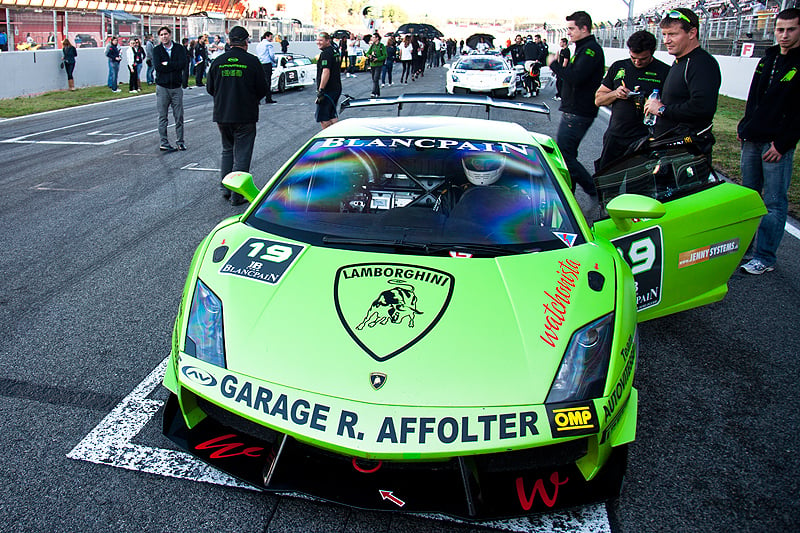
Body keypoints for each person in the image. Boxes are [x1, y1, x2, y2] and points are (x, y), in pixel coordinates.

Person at [737, 8, 800, 275]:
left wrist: (782, 144)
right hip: (752, 138)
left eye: (791, 30)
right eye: (780, 29)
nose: (784, 35)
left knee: (773, 201)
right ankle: (747, 250)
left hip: (776, 145)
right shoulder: (768, 57)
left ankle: (765, 257)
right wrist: (744, 126)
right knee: (749, 198)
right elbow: (754, 97)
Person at [642, 8, 721, 160]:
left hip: (687, 152)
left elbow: (702, 107)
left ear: (692, 33)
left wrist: (662, 109)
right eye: (664, 34)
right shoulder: (680, 61)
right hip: (669, 147)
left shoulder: (701, 63)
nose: (666, 40)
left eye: (673, 34)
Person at [207, 26, 269, 206]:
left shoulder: (218, 61)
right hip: (245, 114)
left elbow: (210, 88)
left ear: (229, 41)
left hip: (222, 114)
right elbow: (262, 89)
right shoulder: (252, 61)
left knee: (227, 150)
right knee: (242, 154)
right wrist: (249, 100)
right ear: (246, 42)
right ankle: (237, 194)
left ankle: (225, 188)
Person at [594, 30, 670, 171]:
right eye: (633, 57)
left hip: (645, 139)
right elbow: (598, 100)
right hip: (616, 136)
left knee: (640, 183)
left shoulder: (665, 72)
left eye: (643, 59)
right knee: (607, 178)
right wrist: (615, 94)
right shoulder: (618, 67)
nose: (637, 62)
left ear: (652, 52)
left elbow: (671, 107)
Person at [548, 10, 604, 197]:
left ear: (584, 28)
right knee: (567, 154)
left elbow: (576, 78)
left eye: (572, 28)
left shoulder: (590, 50)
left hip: (579, 111)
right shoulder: (581, 48)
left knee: (564, 156)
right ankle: (569, 191)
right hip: (575, 110)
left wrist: (554, 65)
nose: (569, 32)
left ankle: (592, 190)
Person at [153, 26, 188, 151]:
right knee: (162, 116)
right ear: (159, 37)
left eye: (166, 34)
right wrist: (173, 65)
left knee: (179, 116)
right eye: (161, 35)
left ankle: (180, 141)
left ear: (170, 35)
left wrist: (167, 64)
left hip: (176, 87)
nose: (164, 36)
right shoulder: (157, 50)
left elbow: (182, 64)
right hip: (162, 87)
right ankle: (164, 142)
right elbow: (158, 67)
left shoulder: (179, 48)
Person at [315, 32, 342, 129]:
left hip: (328, 90)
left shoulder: (326, 54)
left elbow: (326, 71)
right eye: (317, 40)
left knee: (323, 117)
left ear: (328, 41)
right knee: (332, 115)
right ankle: (339, 138)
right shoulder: (335, 51)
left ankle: (330, 139)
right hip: (336, 88)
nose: (318, 42)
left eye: (321, 40)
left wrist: (321, 90)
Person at [256, 31, 277, 104]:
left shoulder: (259, 45)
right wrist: (274, 61)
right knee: (268, 81)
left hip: (260, 63)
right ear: (267, 36)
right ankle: (268, 98)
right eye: (271, 37)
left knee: (260, 81)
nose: (271, 38)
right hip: (267, 63)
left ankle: (258, 99)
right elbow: (271, 55)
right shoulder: (268, 44)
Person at [366, 32, 386, 97]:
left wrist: (378, 59)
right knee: (374, 79)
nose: (372, 38)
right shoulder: (372, 46)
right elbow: (367, 53)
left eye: (374, 37)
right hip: (372, 64)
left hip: (378, 64)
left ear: (377, 38)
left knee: (376, 78)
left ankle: (373, 92)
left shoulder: (381, 46)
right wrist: (369, 56)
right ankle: (377, 92)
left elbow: (385, 55)